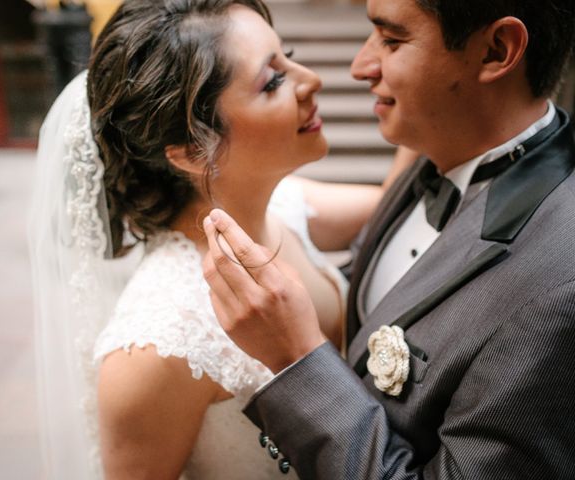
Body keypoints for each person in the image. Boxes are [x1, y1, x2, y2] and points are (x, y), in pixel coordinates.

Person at [28, 0, 417, 478]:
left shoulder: (286, 205)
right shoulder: (157, 346)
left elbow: (394, 202)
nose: (310, 80)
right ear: (192, 150)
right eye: (273, 80)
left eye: (288, 55)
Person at [203, 0, 575, 478]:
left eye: (392, 40)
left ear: (496, 51)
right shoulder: (433, 153)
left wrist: (295, 356)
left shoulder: (558, 287)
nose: (361, 66)